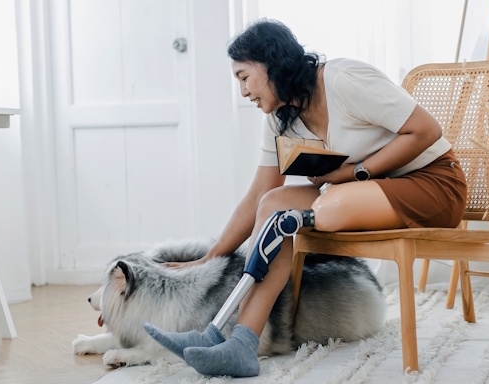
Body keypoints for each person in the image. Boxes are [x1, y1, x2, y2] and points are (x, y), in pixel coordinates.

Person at [144, 18, 467, 377]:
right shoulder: (280, 117)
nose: (243, 92)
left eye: (244, 77)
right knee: (273, 206)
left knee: (329, 205)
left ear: (271, 63)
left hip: (434, 184)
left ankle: (293, 225)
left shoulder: (344, 80)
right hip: (366, 191)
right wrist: (208, 258)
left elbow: (426, 131)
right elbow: (257, 197)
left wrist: (354, 172)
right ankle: (238, 340)